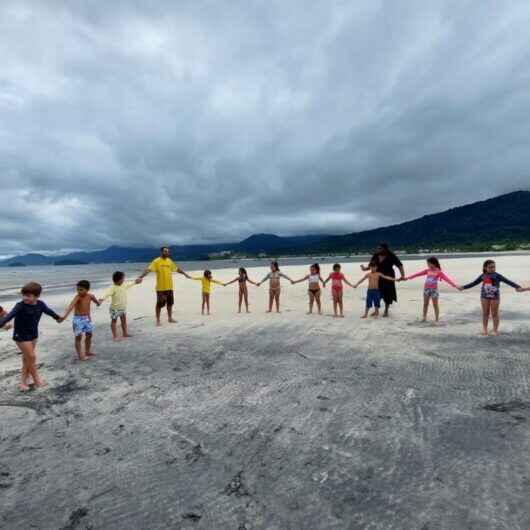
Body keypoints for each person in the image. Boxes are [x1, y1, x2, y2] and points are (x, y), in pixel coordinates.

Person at [0, 282, 63, 391]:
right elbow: (9, 316)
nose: (25, 298)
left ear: (37, 296)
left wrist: (57, 318)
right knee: (32, 357)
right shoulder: (20, 306)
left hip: (33, 335)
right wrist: (1, 323)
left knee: (27, 359)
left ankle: (23, 383)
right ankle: (37, 380)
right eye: (24, 295)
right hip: (21, 336)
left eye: (28, 296)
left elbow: (49, 312)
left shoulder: (40, 304)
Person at [459, 259, 523, 336]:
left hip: (495, 296)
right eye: (490, 267)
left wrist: (517, 287)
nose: (493, 269)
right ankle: (485, 330)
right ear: (485, 268)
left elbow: (508, 281)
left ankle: (495, 330)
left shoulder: (497, 275)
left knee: (494, 314)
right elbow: (473, 283)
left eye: (494, 267)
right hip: (484, 296)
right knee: (485, 313)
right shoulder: (482, 276)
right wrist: (463, 287)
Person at [137, 246, 191, 326]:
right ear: (161, 252)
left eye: (168, 251)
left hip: (169, 286)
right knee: (159, 304)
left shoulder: (169, 261)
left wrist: (185, 274)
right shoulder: (156, 261)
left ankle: (170, 318)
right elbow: (148, 270)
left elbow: (177, 269)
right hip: (161, 288)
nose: (167, 253)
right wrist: (140, 277)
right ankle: (158, 320)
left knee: (170, 303)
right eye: (165, 251)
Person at [402, 256, 459, 322]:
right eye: (427, 264)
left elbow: (447, 279)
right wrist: (408, 277)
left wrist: (455, 286)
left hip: (434, 290)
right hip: (426, 290)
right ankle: (424, 318)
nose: (428, 265)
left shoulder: (439, 272)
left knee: (435, 305)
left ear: (434, 263)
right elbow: (417, 274)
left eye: (429, 263)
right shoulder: (427, 270)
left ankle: (437, 319)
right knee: (425, 304)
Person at [361, 243, 405, 317]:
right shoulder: (375, 255)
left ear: (385, 249)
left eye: (380, 248)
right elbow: (371, 265)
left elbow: (399, 265)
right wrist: (364, 268)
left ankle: (386, 310)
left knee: (388, 294)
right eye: (378, 248)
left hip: (389, 276)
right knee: (377, 294)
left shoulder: (391, 255)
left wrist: (402, 276)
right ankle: (376, 310)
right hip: (378, 277)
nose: (378, 250)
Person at [62, 280, 100, 361]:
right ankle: (80, 355)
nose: (79, 291)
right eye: (78, 289)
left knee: (89, 335)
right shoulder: (77, 297)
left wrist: (98, 303)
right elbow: (71, 306)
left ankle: (87, 351)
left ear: (87, 289)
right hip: (78, 320)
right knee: (78, 337)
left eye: (81, 289)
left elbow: (95, 301)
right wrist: (64, 316)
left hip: (87, 319)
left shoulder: (90, 296)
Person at [98, 271, 142, 341]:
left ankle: (125, 333)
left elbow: (130, 284)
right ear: (118, 280)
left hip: (122, 308)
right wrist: (101, 299)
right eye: (123, 279)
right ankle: (115, 336)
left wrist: (136, 282)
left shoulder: (123, 285)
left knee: (124, 320)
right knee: (114, 321)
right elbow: (107, 294)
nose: (123, 280)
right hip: (115, 308)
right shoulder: (113, 288)